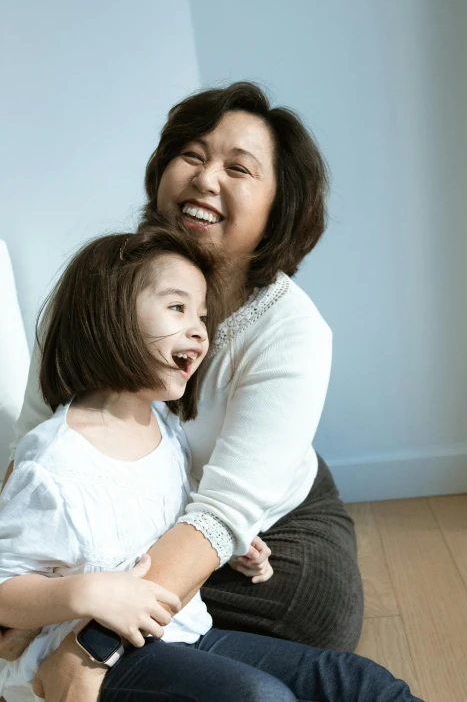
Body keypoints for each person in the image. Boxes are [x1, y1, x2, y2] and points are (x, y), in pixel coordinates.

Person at [2, 82, 364, 700]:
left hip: (262, 513)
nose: (204, 178)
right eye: (191, 155)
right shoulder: (92, 292)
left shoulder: (294, 332)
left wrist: (85, 647)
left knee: (315, 620)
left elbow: (223, 514)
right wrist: (21, 606)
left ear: (279, 208)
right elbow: (33, 440)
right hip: (130, 522)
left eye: (238, 168)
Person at [0, 222, 423, 702]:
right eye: (177, 307)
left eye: (202, 315)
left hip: (184, 632)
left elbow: (163, 518)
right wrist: (84, 594)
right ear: (108, 315)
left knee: (360, 682)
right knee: (259, 697)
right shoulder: (54, 460)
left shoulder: (165, 429)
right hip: (99, 663)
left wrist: (234, 546)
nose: (199, 330)